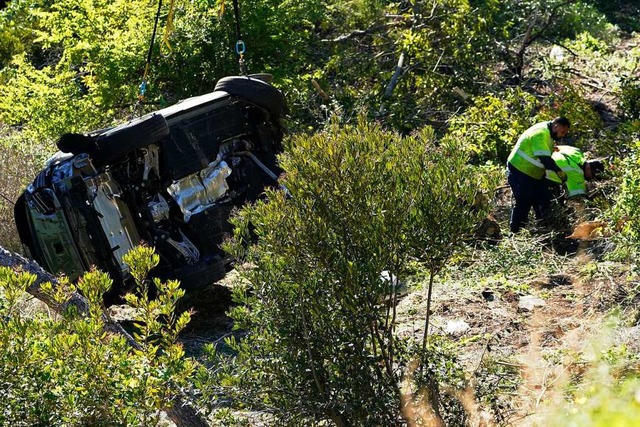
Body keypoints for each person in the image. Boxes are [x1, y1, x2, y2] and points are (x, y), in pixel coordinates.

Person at [506, 117, 570, 233]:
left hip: (533, 174)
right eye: (562, 132)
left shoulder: (548, 133)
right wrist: (559, 173)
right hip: (520, 170)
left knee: (543, 198)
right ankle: (515, 233)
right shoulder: (541, 132)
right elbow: (545, 159)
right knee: (523, 201)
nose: (563, 135)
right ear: (556, 125)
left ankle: (543, 229)